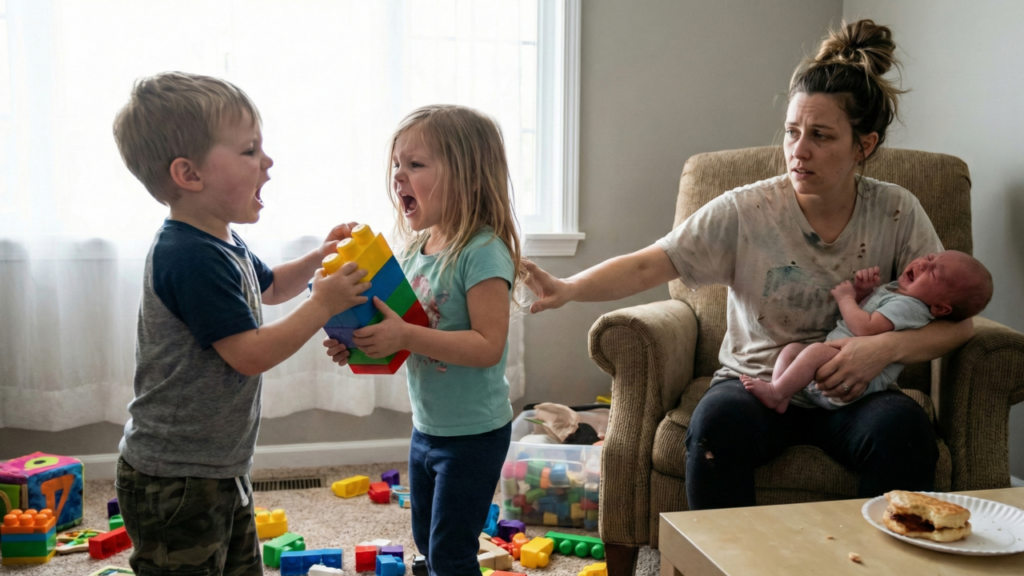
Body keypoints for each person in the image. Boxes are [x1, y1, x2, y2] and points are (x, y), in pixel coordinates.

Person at [523, 20, 976, 510]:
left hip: (855, 394)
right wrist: (568, 287)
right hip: (754, 384)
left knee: (905, 431)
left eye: (821, 136)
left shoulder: (897, 210)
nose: (798, 151)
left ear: (863, 145)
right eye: (792, 132)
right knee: (716, 426)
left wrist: (879, 349)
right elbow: (646, 266)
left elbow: (958, 325)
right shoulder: (746, 210)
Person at [112, 72, 369, 575]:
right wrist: (323, 303)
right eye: (250, 151)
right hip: (176, 477)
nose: (267, 163)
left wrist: (321, 259)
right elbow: (250, 354)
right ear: (189, 174)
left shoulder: (220, 240)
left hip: (217, 467)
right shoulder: (187, 255)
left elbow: (269, 286)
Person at [322, 105, 525, 576]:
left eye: (415, 165)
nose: (398, 176)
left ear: (468, 177)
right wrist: (357, 343)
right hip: (427, 427)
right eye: (397, 164)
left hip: (474, 434)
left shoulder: (483, 252)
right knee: (427, 544)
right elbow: (405, 332)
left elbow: (486, 346)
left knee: (452, 554)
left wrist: (404, 333)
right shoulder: (415, 249)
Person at [742, 253, 993, 413]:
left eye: (933, 272)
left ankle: (776, 393)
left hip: (852, 384)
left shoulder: (911, 307)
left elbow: (864, 327)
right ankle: (782, 392)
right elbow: (869, 314)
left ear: (940, 308)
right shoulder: (899, 292)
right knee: (793, 350)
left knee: (813, 350)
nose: (922, 264)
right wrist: (864, 292)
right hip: (834, 368)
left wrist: (846, 298)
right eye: (929, 257)